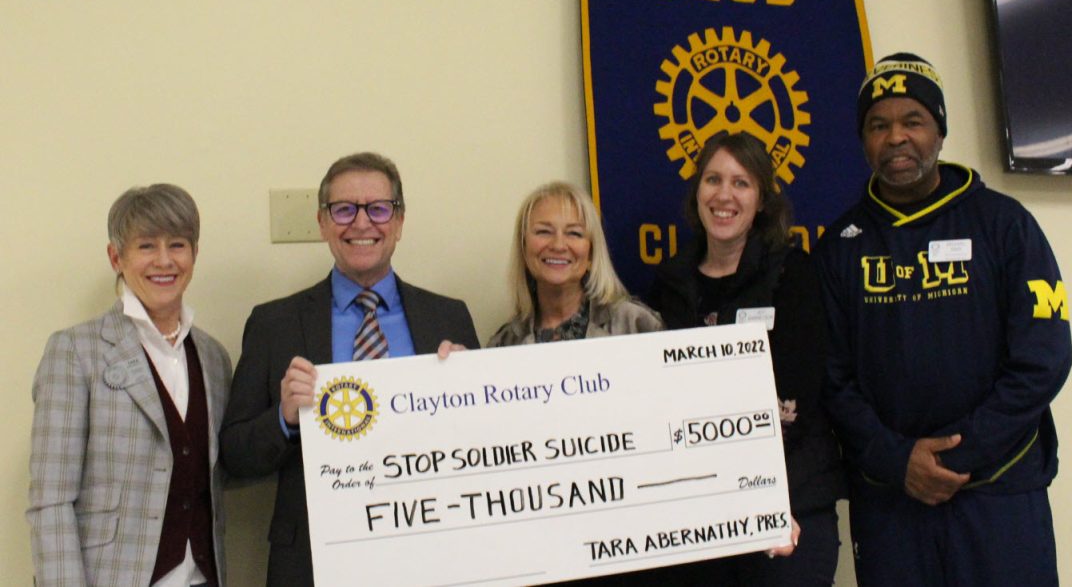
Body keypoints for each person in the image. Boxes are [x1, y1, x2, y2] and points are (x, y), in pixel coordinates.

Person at [815, 52, 1072, 586]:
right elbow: (830, 378)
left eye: (914, 121)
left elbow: (1044, 359)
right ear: (864, 140)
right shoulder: (839, 247)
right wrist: (898, 458)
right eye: (878, 125)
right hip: (891, 503)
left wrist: (962, 454)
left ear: (940, 131)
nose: (896, 138)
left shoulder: (1006, 226)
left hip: (999, 494)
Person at [219, 152, 480, 586]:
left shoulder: (448, 318)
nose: (362, 223)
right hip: (313, 561)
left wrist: (472, 395)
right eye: (344, 209)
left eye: (378, 208)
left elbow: (485, 449)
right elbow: (234, 456)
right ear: (322, 222)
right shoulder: (273, 324)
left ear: (398, 222)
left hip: (431, 554)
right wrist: (283, 419)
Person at [642, 131, 844, 586]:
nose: (724, 195)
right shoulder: (669, 284)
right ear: (697, 194)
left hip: (788, 505)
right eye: (713, 179)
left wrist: (763, 497)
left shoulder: (794, 275)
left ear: (762, 201)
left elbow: (797, 398)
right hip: (699, 515)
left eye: (741, 182)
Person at [27, 184, 232, 587]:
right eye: (145, 246)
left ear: (194, 255)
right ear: (115, 257)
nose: (163, 261)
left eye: (177, 245)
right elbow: (50, 502)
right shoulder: (75, 351)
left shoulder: (213, 357)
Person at [487, 181, 662, 346]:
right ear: (524, 248)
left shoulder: (636, 325)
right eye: (543, 231)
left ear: (591, 253)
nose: (558, 245)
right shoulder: (505, 342)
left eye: (574, 233)